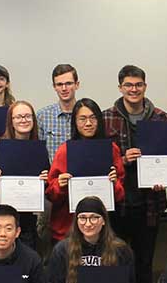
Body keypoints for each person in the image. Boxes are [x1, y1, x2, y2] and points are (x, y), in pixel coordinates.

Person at [102, 64, 167, 283]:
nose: (133, 90)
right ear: (120, 87)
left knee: (144, 260)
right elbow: (98, 156)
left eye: (138, 85)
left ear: (145, 86)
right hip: (117, 201)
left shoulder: (161, 119)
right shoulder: (106, 117)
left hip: (149, 203)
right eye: (128, 85)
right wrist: (122, 158)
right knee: (115, 258)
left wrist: (166, 175)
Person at [46, 98, 125, 243]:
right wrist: (60, 184)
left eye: (93, 118)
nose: (88, 123)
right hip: (68, 230)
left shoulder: (111, 149)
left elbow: (120, 195)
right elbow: (51, 194)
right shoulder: (65, 151)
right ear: (75, 122)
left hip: (102, 231)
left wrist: (113, 183)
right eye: (82, 119)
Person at [0, 100, 49, 251]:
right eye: (18, 117)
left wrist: (46, 180)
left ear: (33, 120)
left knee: (25, 263)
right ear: (11, 121)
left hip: (26, 216)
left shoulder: (39, 150)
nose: (23, 120)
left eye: (27, 116)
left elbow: (47, 185)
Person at [37, 63, 80, 162]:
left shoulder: (86, 114)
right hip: (53, 175)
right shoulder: (43, 116)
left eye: (68, 83)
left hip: (81, 174)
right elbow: (37, 152)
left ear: (77, 85)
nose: (64, 88)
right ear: (54, 87)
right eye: (59, 84)